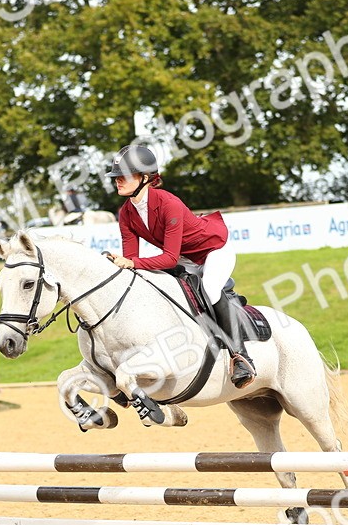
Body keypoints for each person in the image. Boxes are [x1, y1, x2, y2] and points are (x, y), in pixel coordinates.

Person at [105, 144, 256, 389]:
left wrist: (131, 262)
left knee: (209, 289)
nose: (117, 181)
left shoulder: (169, 203)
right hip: (185, 259)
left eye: (124, 176)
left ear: (144, 178)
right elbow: (133, 261)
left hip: (213, 251)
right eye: (116, 177)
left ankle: (241, 357)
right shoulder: (126, 214)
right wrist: (122, 267)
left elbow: (169, 259)